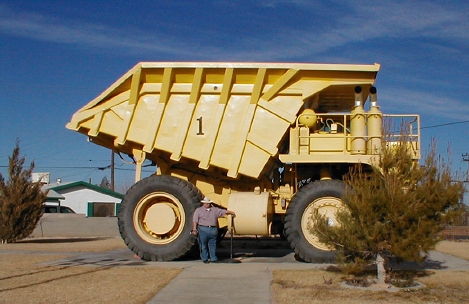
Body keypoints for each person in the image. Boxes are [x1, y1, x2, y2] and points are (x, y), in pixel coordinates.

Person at [191, 196, 236, 263]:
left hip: (213, 229)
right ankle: (205, 258)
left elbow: (222, 212)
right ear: (203, 203)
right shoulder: (198, 210)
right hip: (203, 229)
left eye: (208, 203)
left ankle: (213, 258)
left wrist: (230, 212)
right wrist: (194, 229)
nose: (207, 204)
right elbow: (195, 220)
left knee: (213, 245)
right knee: (203, 245)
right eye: (205, 203)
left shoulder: (215, 210)